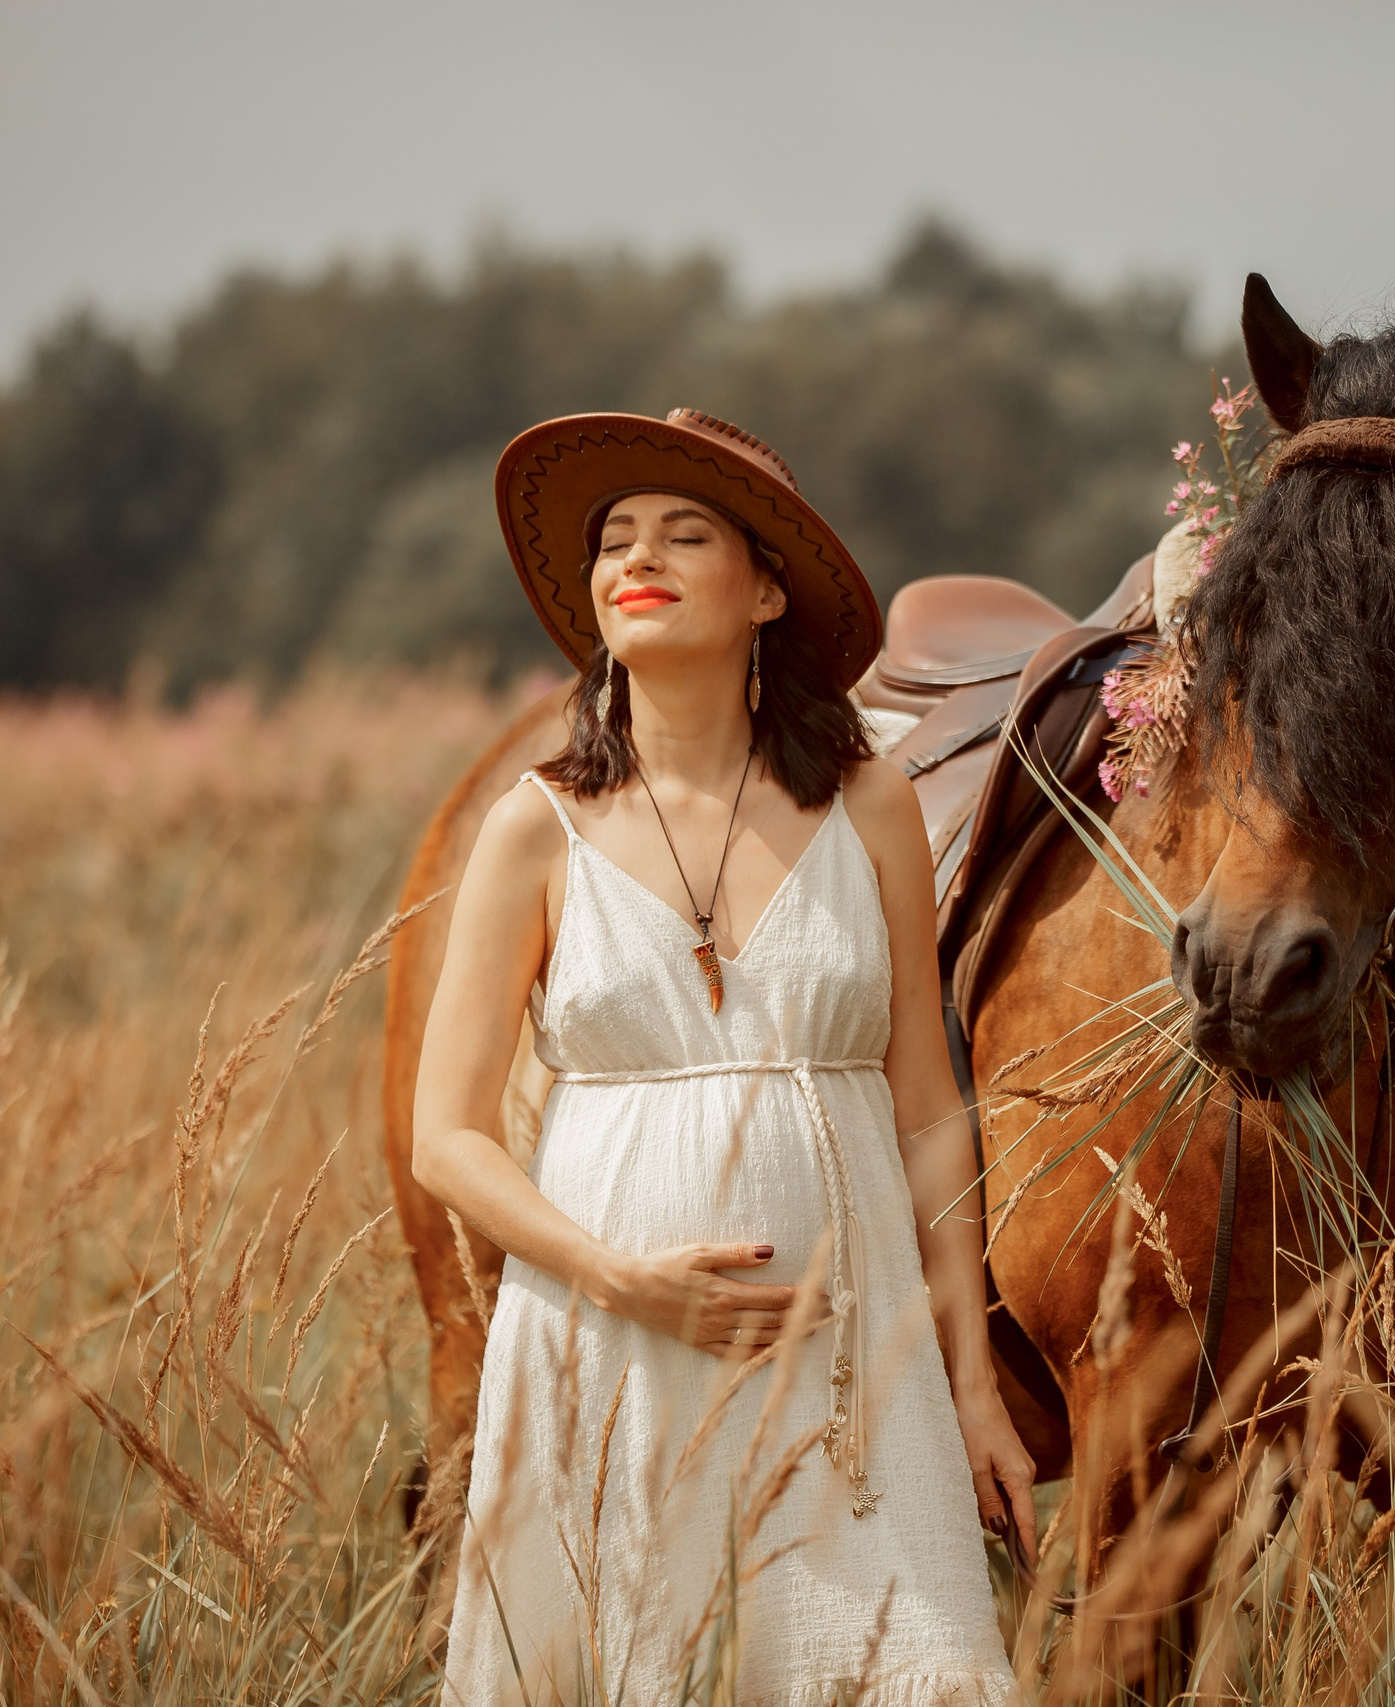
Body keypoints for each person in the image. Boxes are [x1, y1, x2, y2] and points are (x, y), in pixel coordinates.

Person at [412, 408, 1032, 1704]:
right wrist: (620, 1278)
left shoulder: (866, 805)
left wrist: (975, 1385)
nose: (636, 556)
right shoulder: (538, 829)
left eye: (683, 532)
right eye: (614, 539)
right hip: (605, 1357)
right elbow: (448, 1138)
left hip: (856, 1373)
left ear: (764, 591)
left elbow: (927, 1102)